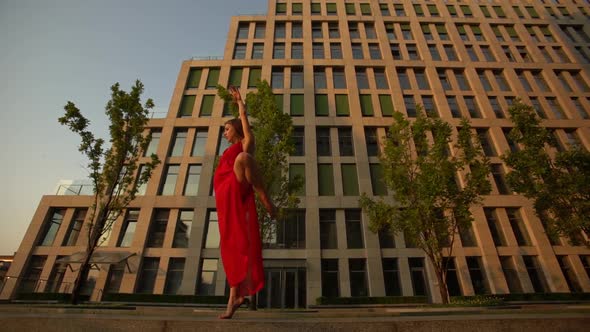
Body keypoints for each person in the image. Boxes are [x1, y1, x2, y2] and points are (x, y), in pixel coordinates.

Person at [213, 86, 276, 319]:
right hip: (225, 198)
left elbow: (245, 126)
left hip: (236, 186)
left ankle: (265, 199)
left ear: (236, 129)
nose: (224, 133)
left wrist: (240, 104)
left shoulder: (245, 144)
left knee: (243, 158)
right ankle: (234, 298)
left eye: (227, 129)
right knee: (233, 245)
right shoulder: (229, 150)